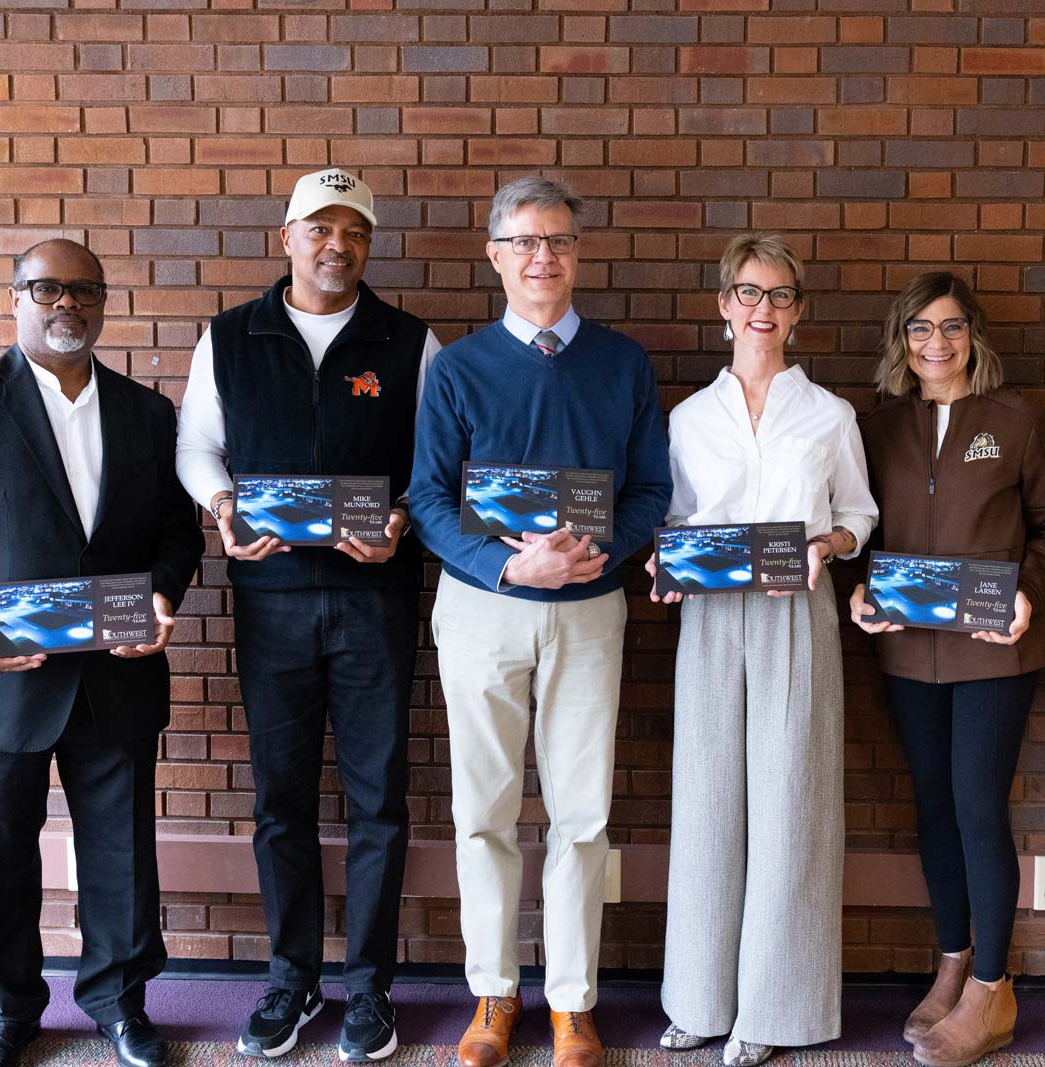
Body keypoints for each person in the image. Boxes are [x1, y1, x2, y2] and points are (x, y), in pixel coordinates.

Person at [0, 239, 204, 1067]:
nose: (67, 304)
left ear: (102, 302)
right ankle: (10, 1009)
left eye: (84, 290)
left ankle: (121, 1005)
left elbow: (175, 532)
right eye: (47, 288)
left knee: (122, 856)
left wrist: (163, 594)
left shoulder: (147, 413)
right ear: (13, 296)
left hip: (115, 677)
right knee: (0, 856)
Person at [174, 168, 441, 1061]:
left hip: (375, 600)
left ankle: (368, 987)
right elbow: (197, 445)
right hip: (272, 601)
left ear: (369, 245)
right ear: (287, 238)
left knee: (378, 801)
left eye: (354, 232)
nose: (337, 246)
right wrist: (221, 506)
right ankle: (291, 976)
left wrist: (403, 514)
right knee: (281, 802)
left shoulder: (410, 341)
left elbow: (441, 463)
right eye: (319, 229)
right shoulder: (230, 337)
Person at [407, 175, 672, 1067]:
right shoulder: (459, 368)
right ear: (496, 255)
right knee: (482, 812)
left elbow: (649, 490)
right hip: (483, 609)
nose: (541, 256)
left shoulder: (623, 363)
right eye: (523, 241)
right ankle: (493, 992)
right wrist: (506, 562)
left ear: (577, 253)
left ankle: (571, 1001)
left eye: (556, 240)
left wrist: (603, 554)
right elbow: (429, 501)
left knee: (581, 816)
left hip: (590, 611)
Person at [651, 234, 877, 1067]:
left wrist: (829, 545)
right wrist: (666, 564)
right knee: (708, 801)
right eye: (749, 292)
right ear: (723, 305)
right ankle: (700, 999)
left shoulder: (830, 415)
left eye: (780, 296)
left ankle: (774, 1011)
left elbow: (860, 515)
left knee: (791, 805)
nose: (763, 309)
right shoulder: (688, 417)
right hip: (710, 617)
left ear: (798, 312)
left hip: (796, 614)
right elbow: (673, 520)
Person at [847, 272, 1045, 1067]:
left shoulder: (1015, 421)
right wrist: (862, 594)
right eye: (919, 329)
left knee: (979, 803)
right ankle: (950, 962)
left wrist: (1028, 591)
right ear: (901, 340)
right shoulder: (876, 428)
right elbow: (862, 533)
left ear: (973, 335)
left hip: (996, 649)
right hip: (909, 650)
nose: (935, 344)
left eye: (950, 328)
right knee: (934, 805)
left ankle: (992, 985)